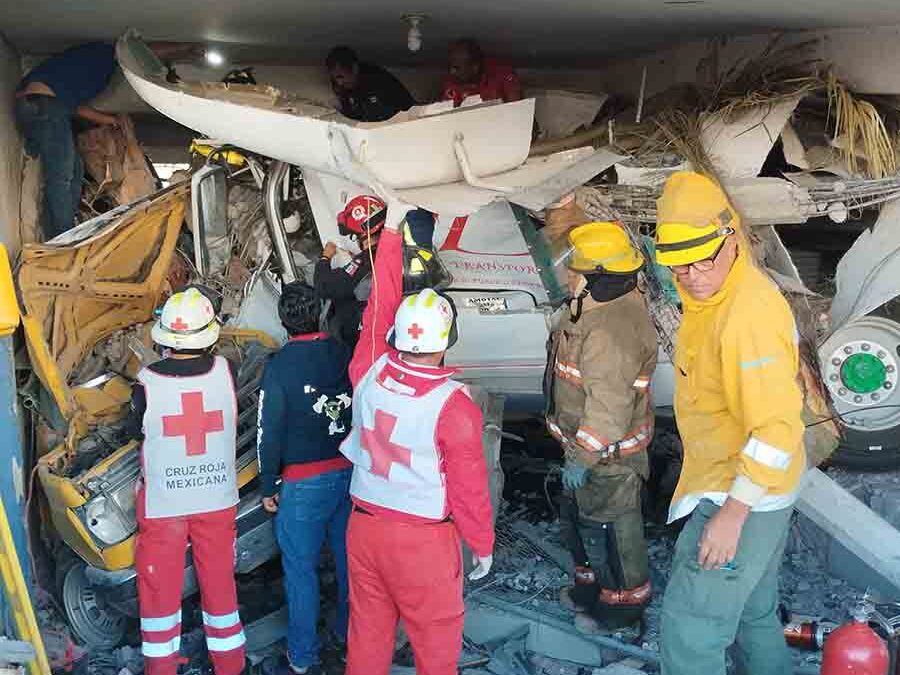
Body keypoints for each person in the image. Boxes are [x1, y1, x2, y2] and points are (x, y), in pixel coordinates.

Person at [653, 172, 805, 675]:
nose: (692, 274)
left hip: (741, 492)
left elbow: (777, 428)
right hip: (745, 482)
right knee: (751, 614)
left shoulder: (747, 316)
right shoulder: (710, 296)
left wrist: (732, 516)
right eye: (678, 264)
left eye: (702, 259)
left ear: (731, 239)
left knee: (689, 635)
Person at [339, 203, 494, 675]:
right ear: (448, 339)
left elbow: (380, 300)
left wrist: (388, 235)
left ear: (396, 335)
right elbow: (469, 490)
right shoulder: (455, 408)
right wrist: (482, 545)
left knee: (366, 638)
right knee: (436, 648)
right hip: (422, 543)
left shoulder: (368, 370)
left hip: (363, 528)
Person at [546, 222, 658, 633]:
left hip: (607, 459)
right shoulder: (595, 310)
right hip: (587, 454)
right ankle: (590, 590)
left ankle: (623, 608)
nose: (567, 275)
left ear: (597, 279)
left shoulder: (610, 332)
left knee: (612, 533)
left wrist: (584, 457)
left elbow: (608, 412)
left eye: (574, 269)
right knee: (581, 522)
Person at [131, 287, 245, 675]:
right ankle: (230, 664)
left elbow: (136, 432)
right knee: (219, 585)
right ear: (208, 333)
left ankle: (160, 667)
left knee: (159, 591)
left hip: (164, 504)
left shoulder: (145, 381)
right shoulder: (227, 370)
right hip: (216, 499)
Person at [256, 281, 353, 675]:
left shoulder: (279, 366)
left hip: (303, 484)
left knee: (301, 571)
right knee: (351, 567)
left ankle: (302, 656)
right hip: (350, 475)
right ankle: (353, 643)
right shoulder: (342, 352)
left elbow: (269, 429)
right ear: (322, 312)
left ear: (283, 322)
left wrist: (267, 484)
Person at [15, 42, 119, 239]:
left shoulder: (81, 73)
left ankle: (53, 237)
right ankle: (66, 237)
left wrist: (111, 121)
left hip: (40, 105)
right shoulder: (103, 56)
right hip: (44, 105)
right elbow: (145, 50)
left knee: (75, 172)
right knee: (61, 177)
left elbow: (76, 107)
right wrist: (184, 49)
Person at [315, 195, 386, 348]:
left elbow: (324, 286)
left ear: (363, 235)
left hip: (366, 335)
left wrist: (325, 258)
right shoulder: (394, 249)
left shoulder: (366, 262)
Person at [326, 46, 416, 122]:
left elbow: (379, 119)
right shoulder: (342, 84)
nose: (339, 82)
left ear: (354, 69)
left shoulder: (377, 82)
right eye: (334, 78)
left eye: (341, 77)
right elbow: (351, 112)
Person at [439, 38, 522, 107]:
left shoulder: (502, 74)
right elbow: (447, 113)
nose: (452, 72)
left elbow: (516, 109)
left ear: (475, 67)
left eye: (457, 68)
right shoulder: (451, 81)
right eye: (450, 66)